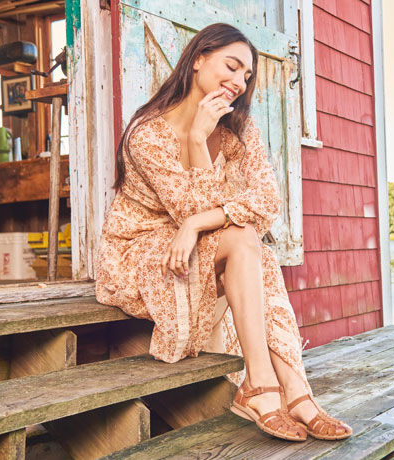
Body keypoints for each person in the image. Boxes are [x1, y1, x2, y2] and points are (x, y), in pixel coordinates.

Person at [95, 23, 352, 442]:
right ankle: (276, 389)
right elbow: (188, 208)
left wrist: (197, 224)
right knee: (244, 239)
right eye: (231, 67)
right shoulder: (148, 135)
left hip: (192, 241)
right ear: (198, 60)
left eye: (247, 75)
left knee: (256, 247)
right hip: (138, 254)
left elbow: (267, 203)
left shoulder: (239, 129)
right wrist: (197, 138)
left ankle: (284, 391)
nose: (238, 82)